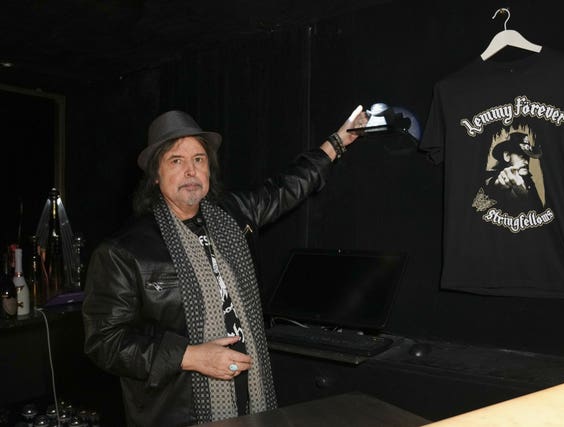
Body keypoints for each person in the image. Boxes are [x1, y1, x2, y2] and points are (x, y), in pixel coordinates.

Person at [82, 106, 368, 427]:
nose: (191, 171)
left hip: (251, 392)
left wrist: (338, 142)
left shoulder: (233, 214)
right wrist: (188, 356)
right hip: (179, 408)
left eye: (199, 160)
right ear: (156, 174)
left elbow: (288, 187)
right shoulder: (123, 251)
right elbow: (104, 342)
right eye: (177, 161)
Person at [484, 131, 543, 213]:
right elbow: (492, 184)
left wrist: (526, 195)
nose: (526, 162)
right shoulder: (495, 179)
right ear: (507, 156)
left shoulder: (528, 180)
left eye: (527, 157)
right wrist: (495, 186)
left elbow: (539, 210)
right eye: (521, 156)